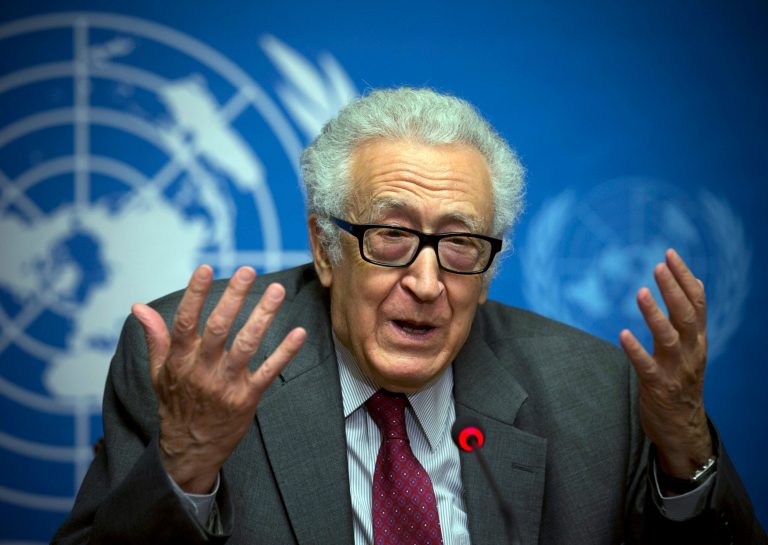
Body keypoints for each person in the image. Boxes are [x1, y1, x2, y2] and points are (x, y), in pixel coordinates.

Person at [52, 87, 765, 545]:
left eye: (460, 243)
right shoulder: (198, 365)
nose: (426, 282)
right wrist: (186, 465)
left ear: (488, 268)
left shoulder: (596, 391)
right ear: (326, 249)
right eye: (390, 236)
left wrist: (686, 453)